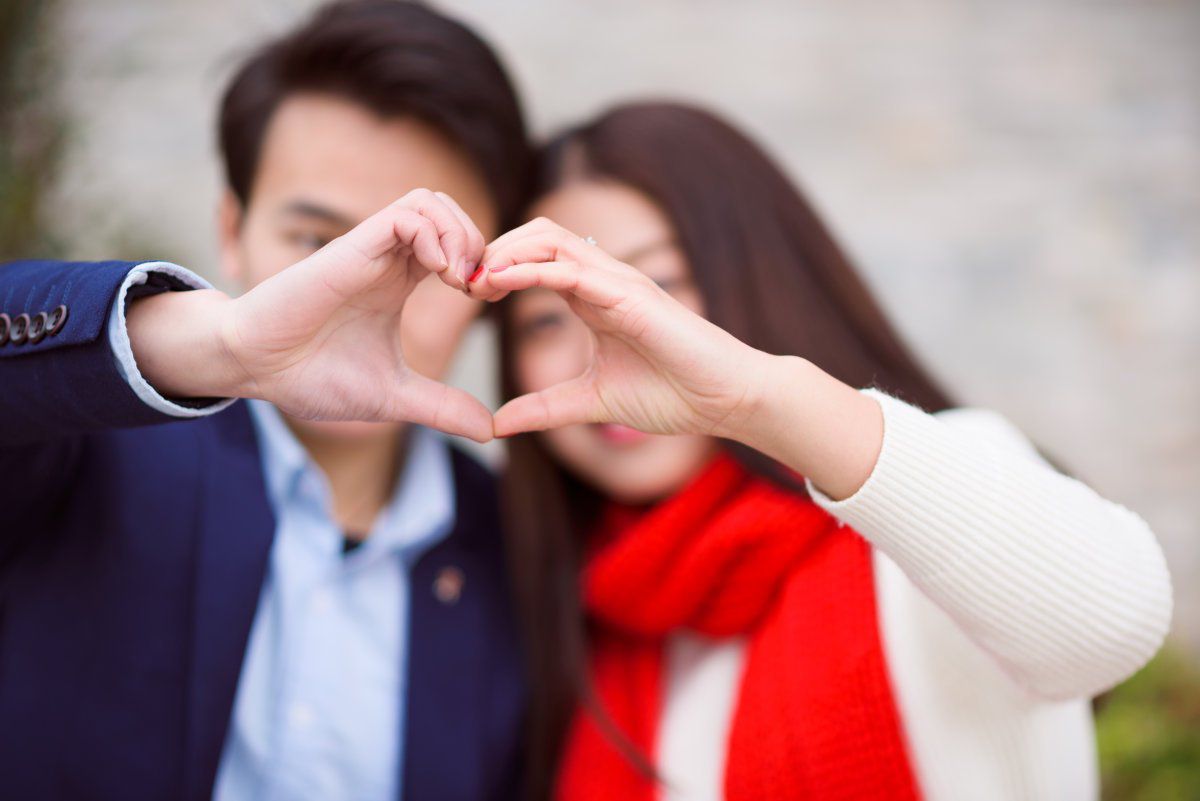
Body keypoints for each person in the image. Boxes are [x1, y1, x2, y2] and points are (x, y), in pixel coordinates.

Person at [468, 102, 1174, 801]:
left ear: (763, 275)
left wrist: (757, 400)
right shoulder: (575, 614)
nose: (604, 340)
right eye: (545, 316)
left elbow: (1117, 620)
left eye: (655, 283)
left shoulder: (928, 505)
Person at [0, 2, 529, 799]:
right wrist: (223, 345)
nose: (364, 293)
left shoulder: (519, 549)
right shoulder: (88, 446)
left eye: (425, 255)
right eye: (317, 242)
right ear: (232, 230)